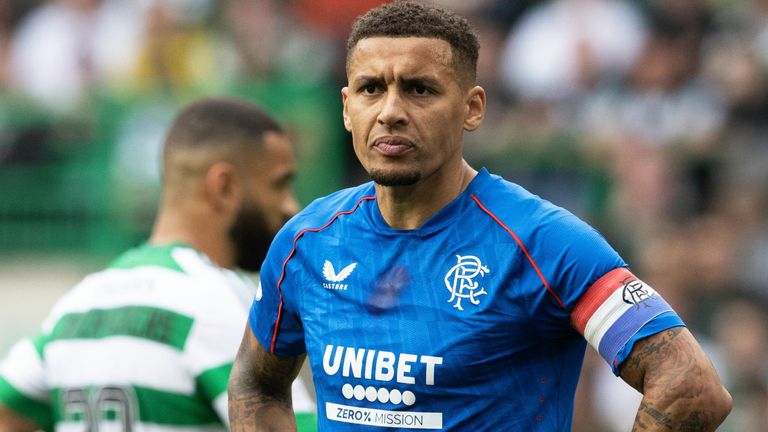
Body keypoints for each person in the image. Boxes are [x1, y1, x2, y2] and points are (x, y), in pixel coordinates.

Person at [228, 2, 732, 431]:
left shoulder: (542, 241)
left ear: (472, 108)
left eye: (420, 89)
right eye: (370, 89)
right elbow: (255, 383)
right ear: (345, 108)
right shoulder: (307, 241)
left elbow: (689, 386)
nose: (390, 111)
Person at [0, 97, 317, 431]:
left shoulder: (76, 306)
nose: (290, 206)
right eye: (279, 184)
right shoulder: (216, 301)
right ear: (224, 186)